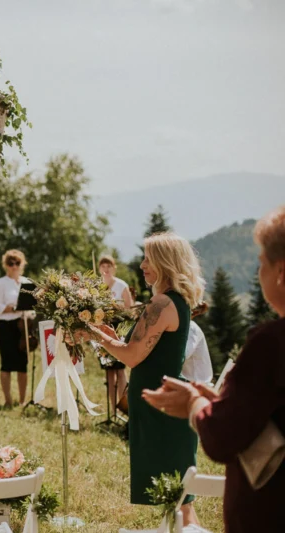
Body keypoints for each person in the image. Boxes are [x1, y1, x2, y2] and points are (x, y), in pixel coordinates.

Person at [142, 205, 285, 533]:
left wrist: (195, 405)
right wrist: (219, 401)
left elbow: (223, 438)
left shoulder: (271, 344)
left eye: (262, 263)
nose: (259, 272)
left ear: (281, 272)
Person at [87, 232, 203, 526]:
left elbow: (131, 356)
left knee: (177, 498)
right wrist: (112, 338)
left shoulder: (162, 303)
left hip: (160, 407)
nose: (142, 265)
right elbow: (138, 350)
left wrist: (93, 334)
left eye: (149, 259)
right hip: (161, 403)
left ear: (166, 262)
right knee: (177, 499)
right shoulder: (173, 301)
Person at [0, 250, 35, 406]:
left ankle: (22, 401)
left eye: (17, 263)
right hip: (6, 326)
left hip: (23, 327)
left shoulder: (27, 282)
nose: (14, 266)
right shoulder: (1, 283)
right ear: (6, 265)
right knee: (7, 363)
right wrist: (10, 308)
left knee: (23, 364)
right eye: (11, 263)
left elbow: (31, 304)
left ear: (22, 264)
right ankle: (8, 400)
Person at [98, 255, 133, 414]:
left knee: (119, 370)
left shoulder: (121, 286)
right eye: (103, 266)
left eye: (109, 266)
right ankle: (111, 411)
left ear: (114, 268)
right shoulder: (97, 286)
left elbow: (130, 309)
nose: (106, 269)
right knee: (108, 371)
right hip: (103, 329)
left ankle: (124, 407)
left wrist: (116, 308)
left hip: (119, 330)